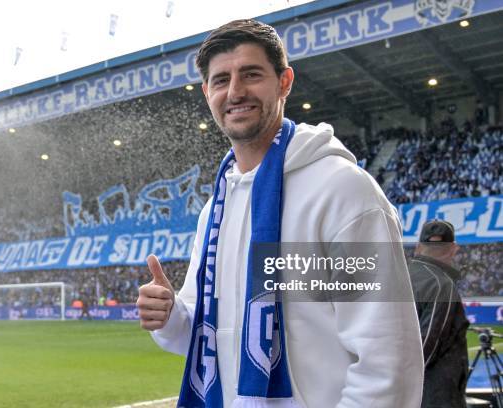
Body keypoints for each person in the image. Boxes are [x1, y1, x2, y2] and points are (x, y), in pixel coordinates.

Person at [136, 19, 423, 407]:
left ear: (284, 82)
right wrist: (171, 315)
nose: (235, 91)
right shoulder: (214, 212)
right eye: (221, 80)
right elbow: (208, 337)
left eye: (251, 75)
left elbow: (388, 355)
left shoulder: (341, 191)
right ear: (207, 93)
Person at [409, 220, 469, 408]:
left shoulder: (400, 276)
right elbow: (428, 343)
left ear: (418, 247)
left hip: (402, 391)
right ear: (453, 249)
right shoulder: (441, 284)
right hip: (435, 394)